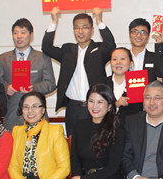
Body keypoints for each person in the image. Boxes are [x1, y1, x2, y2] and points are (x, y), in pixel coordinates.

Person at [42, 7, 116, 135]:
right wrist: (54, 21)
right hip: (73, 108)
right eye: (76, 28)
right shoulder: (67, 50)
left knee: (96, 141)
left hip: (94, 107)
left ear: (92, 30)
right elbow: (47, 48)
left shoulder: (99, 50)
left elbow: (111, 45)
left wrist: (99, 20)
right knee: (73, 141)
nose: (80, 31)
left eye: (85, 27)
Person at [0, 18, 56, 132]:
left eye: (23, 32)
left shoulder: (43, 57)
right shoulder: (3, 58)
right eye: (15, 33)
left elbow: (50, 84)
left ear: (31, 35)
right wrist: (6, 88)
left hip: (36, 114)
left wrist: (34, 88)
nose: (19, 36)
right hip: (12, 115)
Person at [104, 47, 143, 119]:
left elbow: (141, 109)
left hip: (131, 124)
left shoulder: (137, 83)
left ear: (131, 63)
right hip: (107, 124)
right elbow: (98, 107)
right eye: (114, 59)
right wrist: (116, 104)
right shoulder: (103, 84)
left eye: (122, 59)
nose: (118, 62)